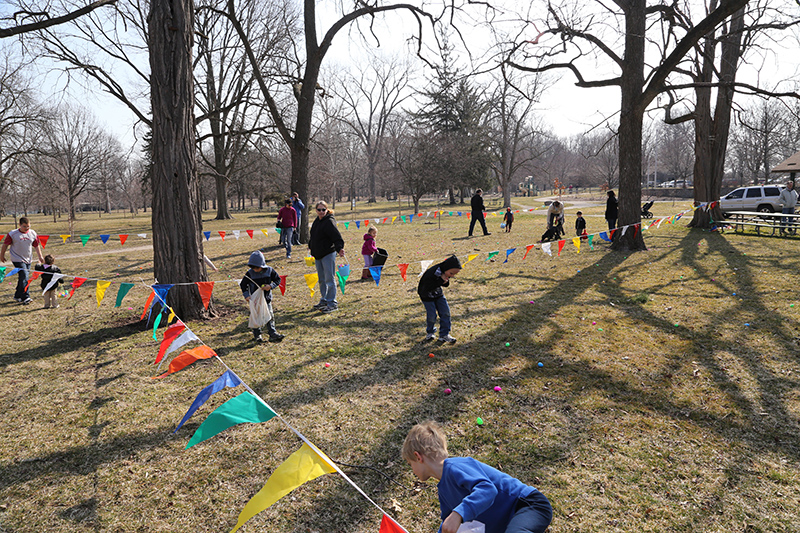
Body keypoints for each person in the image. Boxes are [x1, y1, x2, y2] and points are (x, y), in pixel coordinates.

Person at [402, 421, 552, 533]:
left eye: (410, 464)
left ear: (418, 457)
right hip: (506, 524)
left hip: (527, 505)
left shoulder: (456, 466)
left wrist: (458, 514)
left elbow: (487, 489)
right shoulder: (443, 490)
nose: (412, 470)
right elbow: (448, 524)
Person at [240, 251, 284, 343]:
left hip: (266, 299)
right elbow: (243, 285)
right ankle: (257, 335)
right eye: (253, 267)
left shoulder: (270, 271)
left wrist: (271, 286)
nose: (255, 270)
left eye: (257, 267)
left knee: (269, 316)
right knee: (256, 317)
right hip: (255, 300)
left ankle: (272, 333)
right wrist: (246, 295)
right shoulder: (250, 274)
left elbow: (277, 279)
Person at [309, 201, 345, 313]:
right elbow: (313, 235)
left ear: (327, 210)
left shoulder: (329, 221)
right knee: (321, 279)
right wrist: (311, 246)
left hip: (328, 254)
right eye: (319, 210)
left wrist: (339, 248)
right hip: (318, 254)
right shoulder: (317, 221)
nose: (321, 212)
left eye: (323, 209)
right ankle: (324, 300)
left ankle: (332, 303)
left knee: (329, 279)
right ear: (316, 210)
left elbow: (337, 237)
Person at [1, 216, 45, 304]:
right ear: (20, 225)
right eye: (24, 226)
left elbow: (36, 245)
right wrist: (1, 255)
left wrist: (40, 256)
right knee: (24, 276)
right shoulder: (13, 234)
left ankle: (17, 295)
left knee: (23, 277)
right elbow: (5, 245)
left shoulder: (32, 233)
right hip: (16, 258)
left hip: (28, 258)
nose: (27, 228)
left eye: (28, 226)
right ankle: (26, 297)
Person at [417, 255, 461, 344]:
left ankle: (444, 334)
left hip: (438, 294)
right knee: (432, 315)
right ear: (446, 268)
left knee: (445, 312)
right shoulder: (432, 273)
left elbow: (445, 284)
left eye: (454, 274)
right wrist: (441, 281)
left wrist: (445, 281)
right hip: (426, 295)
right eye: (451, 273)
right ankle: (430, 332)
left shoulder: (445, 271)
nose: (452, 276)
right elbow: (428, 286)